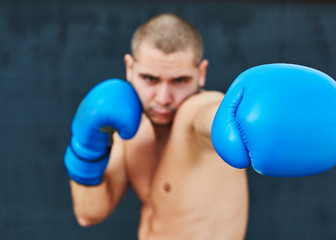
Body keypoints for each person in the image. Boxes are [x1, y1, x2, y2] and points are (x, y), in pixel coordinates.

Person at [65, 13, 249, 240]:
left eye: (179, 80)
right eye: (150, 79)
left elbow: (213, 116)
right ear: (129, 68)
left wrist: (244, 118)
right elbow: (89, 213)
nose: (163, 98)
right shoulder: (132, 131)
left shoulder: (196, 112)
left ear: (200, 74)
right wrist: (86, 147)